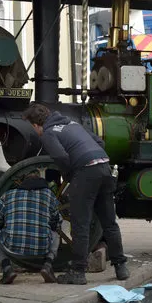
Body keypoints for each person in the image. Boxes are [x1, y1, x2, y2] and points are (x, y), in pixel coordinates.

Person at [22, 102, 129, 285]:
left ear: (35, 125)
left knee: (81, 224)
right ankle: (121, 267)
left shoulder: (49, 133)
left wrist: (69, 174)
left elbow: (61, 157)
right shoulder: (72, 123)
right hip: (104, 167)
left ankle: (78, 271)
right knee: (109, 222)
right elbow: (99, 142)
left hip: (86, 172)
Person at [0, 170, 61, 284]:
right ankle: (47, 265)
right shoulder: (48, 195)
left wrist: (4, 227)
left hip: (12, 247)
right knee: (56, 236)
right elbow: (57, 223)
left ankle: (7, 268)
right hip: (41, 249)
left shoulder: (8, 195)